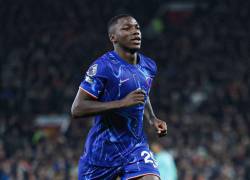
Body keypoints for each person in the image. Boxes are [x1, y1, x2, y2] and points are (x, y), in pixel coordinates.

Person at [71, 14, 167, 180]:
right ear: (113, 37)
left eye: (137, 27)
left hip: (135, 147)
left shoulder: (149, 66)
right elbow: (77, 108)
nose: (135, 32)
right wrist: (122, 103)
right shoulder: (103, 67)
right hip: (101, 155)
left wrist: (152, 118)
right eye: (127, 28)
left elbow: (142, 94)